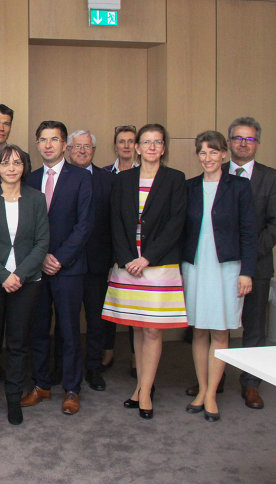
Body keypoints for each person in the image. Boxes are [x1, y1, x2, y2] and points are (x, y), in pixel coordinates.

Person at [102, 123, 188, 420]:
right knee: (136, 327)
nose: (152, 147)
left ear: (164, 148)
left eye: (158, 142)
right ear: (137, 147)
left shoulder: (176, 179)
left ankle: (147, 391)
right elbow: (115, 221)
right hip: (128, 265)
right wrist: (128, 258)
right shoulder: (123, 180)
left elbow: (176, 224)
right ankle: (139, 387)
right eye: (146, 142)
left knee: (152, 329)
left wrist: (147, 257)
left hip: (158, 265)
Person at [182, 130, 256, 422]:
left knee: (220, 331)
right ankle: (201, 389)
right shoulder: (189, 187)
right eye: (203, 152)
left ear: (224, 154)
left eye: (214, 152)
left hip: (227, 268)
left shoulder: (239, 187)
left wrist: (247, 271)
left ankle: (212, 393)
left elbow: (249, 233)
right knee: (199, 330)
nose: (208, 158)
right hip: (195, 267)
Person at [0, 144, 48, 425]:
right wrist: (3, 275)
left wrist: (20, 275)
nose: (12, 168)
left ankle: (14, 400)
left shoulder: (36, 199)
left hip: (27, 282)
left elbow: (42, 243)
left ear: (24, 167)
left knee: (17, 344)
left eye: (17, 162)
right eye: (5, 163)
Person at [23, 121, 93, 416]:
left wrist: (58, 258)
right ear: (37, 144)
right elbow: (24, 226)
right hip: (37, 269)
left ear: (65, 145)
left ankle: (72, 389)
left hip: (69, 268)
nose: (48, 144)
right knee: (38, 330)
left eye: (54, 139)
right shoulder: (30, 178)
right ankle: (41, 385)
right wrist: (41, 257)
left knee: (68, 331)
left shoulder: (81, 178)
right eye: (43, 139)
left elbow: (84, 225)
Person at [225, 117, 276, 410]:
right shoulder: (215, 172)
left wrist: (246, 252)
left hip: (256, 264)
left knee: (254, 328)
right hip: (219, 266)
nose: (243, 144)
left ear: (257, 143)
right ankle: (213, 381)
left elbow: (274, 224)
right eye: (238, 138)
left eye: (250, 139)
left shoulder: (271, 178)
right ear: (229, 142)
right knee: (215, 326)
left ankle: (251, 385)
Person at [65, 130, 115, 392]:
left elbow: (115, 222)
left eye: (87, 146)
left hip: (97, 263)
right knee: (66, 321)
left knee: (96, 320)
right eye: (77, 146)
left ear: (94, 150)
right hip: (66, 264)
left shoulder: (108, 180)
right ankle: (63, 368)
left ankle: (93, 368)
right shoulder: (57, 177)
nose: (82, 151)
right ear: (68, 149)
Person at [102, 124, 140, 373]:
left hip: (137, 251)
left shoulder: (147, 174)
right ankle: (108, 350)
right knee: (108, 303)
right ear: (115, 146)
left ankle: (138, 356)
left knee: (137, 307)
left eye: (130, 141)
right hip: (108, 247)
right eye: (121, 141)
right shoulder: (105, 174)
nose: (125, 145)